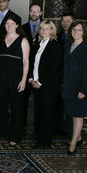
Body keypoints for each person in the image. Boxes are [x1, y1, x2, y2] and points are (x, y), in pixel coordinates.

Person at [0, 15, 30, 146]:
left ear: (17, 25)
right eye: (7, 23)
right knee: (0, 105)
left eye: (12, 24)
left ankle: (15, 134)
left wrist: (24, 79)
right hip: (1, 77)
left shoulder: (23, 40)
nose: (9, 26)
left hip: (16, 78)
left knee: (16, 107)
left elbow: (26, 62)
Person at [62, 22, 87, 155]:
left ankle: (73, 143)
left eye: (79, 30)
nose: (76, 32)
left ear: (84, 32)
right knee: (69, 114)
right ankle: (79, 137)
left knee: (78, 115)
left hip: (80, 88)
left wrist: (84, 89)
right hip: (68, 86)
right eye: (74, 30)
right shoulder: (67, 45)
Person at [28, 20, 63, 148]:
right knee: (39, 112)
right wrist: (31, 78)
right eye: (42, 28)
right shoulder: (38, 44)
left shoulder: (55, 46)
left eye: (47, 29)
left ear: (52, 31)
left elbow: (53, 68)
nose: (43, 31)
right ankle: (39, 137)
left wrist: (40, 82)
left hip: (48, 86)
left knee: (47, 113)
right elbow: (33, 63)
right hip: (36, 84)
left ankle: (45, 141)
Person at [22, 3, 43, 125]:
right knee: (23, 100)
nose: (34, 13)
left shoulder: (46, 28)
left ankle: (38, 125)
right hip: (26, 68)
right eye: (32, 11)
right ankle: (22, 124)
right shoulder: (23, 28)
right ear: (29, 12)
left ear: (40, 13)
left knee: (39, 101)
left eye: (37, 11)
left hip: (40, 71)